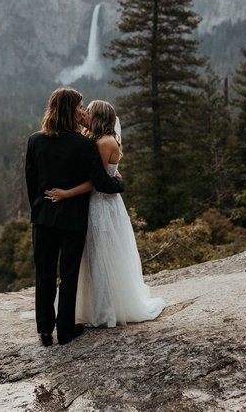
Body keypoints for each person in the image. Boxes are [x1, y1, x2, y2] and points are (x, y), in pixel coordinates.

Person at [45, 100, 165, 327]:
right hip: (99, 203)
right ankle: (94, 306)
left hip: (101, 205)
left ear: (98, 116)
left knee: (100, 257)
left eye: (88, 111)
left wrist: (65, 193)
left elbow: (96, 182)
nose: (85, 114)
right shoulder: (97, 138)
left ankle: (103, 310)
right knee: (93, 257)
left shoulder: (103, 143)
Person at [25, 88, 125, 347]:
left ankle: (45, 332)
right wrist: (120, 183)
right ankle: (66, 330)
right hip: (73, 219)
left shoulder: (35, 140)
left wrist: (39, 209)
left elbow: (32, 183)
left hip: (44, 218)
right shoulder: (83, 144)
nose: (82, 112)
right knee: (69, 274)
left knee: (44, 274)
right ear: (70, 110)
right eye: (80, 107)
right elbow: (100, 182)